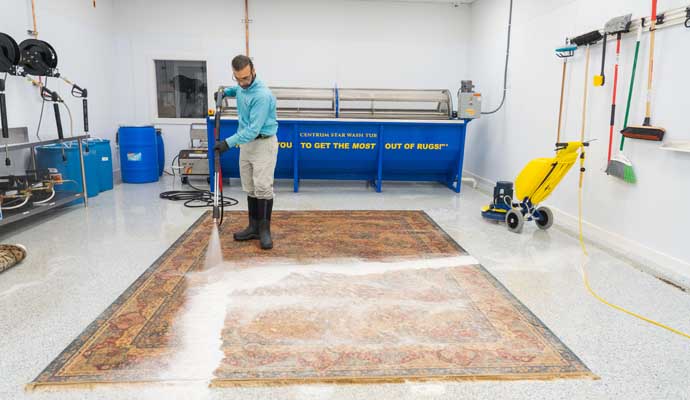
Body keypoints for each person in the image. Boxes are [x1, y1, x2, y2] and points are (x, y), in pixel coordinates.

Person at [214, 55, 278, 250]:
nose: (242, 83)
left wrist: (227, 143)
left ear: (253, 71)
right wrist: (224, 92)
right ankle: (253, 227)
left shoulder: (262, 95)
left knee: (263, 187)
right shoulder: (242, 87)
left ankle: (264, 230)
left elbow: (253, 130)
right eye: (238, 78)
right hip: (246, 144)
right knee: (249, 187)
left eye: (246, 78)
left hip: (262, 144)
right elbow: (239, 92)